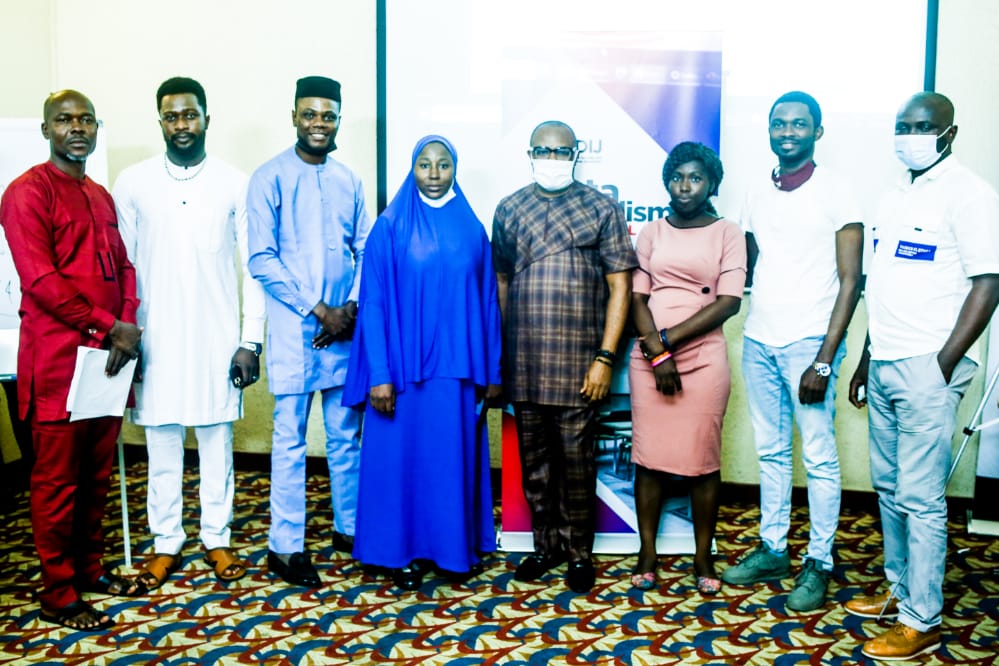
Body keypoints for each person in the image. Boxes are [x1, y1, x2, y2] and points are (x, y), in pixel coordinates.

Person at [844, 92, 999, 661]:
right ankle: (900, 590)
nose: (910, 135)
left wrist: (944, 363)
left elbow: (989, 283)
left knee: (922, 498)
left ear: (949, 134)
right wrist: (866, 357)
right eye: (902, 126)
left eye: (923, 127)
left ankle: (922, 619)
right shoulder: (892, 196)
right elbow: (881, 287)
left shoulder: (972, 196)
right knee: (888, 489)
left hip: (929, 367)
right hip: (885, 360)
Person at [113, 77, 266, 589]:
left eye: (190, 114)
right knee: (160, 441)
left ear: (207, 117)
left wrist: (251, 340)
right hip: (154, 337)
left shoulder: (234, 182)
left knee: (217, 439)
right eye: (171, 116)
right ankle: (165, 542)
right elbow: (124, 266)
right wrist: (125, 332)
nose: (182, 124)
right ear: (160, 121)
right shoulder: (132, 183)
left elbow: (254, 268)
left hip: (218, 336)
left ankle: (216, 538)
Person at [0, 90, 144, 630]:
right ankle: (57, 592)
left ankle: (88, 567)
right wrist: (111, 327)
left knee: (96, 474)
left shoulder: (100, 194)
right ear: (46, 131)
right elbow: (40, 283)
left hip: (109, 359)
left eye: (85, 120)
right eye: (64, 120)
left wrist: (124, 324)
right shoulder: (25, 194)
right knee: (57, 482)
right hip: (60, 362)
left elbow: (124, 267)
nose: (76, 128)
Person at [722, 91, 863, 611]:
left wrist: (825, 357)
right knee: (771, 452)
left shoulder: (839, 190)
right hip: (760, 338)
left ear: (817, 132)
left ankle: (819, 560)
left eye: (799, 124)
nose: (787, 131)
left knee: (820, 457)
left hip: (810, 343)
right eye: (779, 123)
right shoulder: (757, 189)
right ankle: (774, 548)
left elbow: (851, 282)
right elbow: (754, 263)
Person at [343, 135, 502, 590]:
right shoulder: (390, 226)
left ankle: (452, 550)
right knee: (399, 467)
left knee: (446, 465)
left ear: (456, 169)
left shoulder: (471, 228)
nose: (434, 174)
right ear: (412, 169)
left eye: (443, 165)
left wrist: (491, 371)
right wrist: (379, 375)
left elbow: (488, 301)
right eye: (424, 165)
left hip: (455, 375)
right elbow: (372, 304)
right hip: (400, 376)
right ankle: (394, 552)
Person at [492, 120, 636, 593]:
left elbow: (621, 287)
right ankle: (543, 547)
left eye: (561, 151)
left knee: (577, 464)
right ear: (529, 153)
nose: (551, 159)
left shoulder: (602, 207)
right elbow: (503, 284)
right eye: (542, 150)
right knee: (534, 464)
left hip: (580, 363)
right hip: (527, 361)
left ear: (577, 155)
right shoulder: (510, 208)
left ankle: (578, 554)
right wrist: (502, 356)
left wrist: (605, 358)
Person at [247, 75, 372, 588]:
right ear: (294, 116)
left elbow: (367, 247)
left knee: (346, 436)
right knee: (290, 440)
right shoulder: (269, 177)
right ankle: (286, 547)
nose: (318, 123)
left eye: (328, 115)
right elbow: (261, 258)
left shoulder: (348, 179)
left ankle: (350, 528)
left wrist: (351, 306)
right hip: (296, 328)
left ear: (338, 119)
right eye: (309, 114)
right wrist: (320, 310)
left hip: (343, 329)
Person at [628, 143, 746, 595]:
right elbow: (638, 297)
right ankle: (648, 553)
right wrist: (656, 354)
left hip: (701, 358)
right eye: (677, 176)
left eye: (695, 177)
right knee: (649, 460)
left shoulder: (727, 232)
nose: (685, 185)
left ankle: (702, 554)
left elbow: (729, 302)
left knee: (702, 461)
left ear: (711, 183)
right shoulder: (652, 232)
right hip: (649, 359)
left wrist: (667, 343)